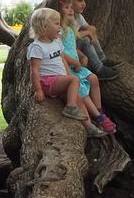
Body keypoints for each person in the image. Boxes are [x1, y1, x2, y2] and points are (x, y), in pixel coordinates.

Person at [26, 8, 107, 138]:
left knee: (79, 98)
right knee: (74, 80)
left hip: (59, 80)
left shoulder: (57, 42)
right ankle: (70, 107)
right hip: (47, 82)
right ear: (44, 26)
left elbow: (62, 59)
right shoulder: (37, 47)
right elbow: (34, 70)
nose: (60, 27)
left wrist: (68, 74)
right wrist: (38, 90)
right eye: (56, 24)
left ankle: (89, 127)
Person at [45, 0, 117, 134]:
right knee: (82, 91)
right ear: (57, 12)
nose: (71, 10)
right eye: (66, 8)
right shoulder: (57, 32)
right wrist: (74, 62)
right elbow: (60, 52)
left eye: (71, 7)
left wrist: (82, 56)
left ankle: (98, 110)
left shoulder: (70, 29)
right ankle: (99, 117)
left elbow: (72, 47)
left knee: (93, 79)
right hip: (67, 68)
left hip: (76, 65)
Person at [57, 0, 120, 81]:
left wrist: (91, 30)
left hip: (75, 44)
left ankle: (102, 59)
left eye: (84, 0)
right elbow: (69, 36)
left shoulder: (78, 16)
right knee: (86, 39)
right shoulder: (64, 17)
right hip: (67, 49)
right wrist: (87, 32)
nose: (83, 4)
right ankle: (99, 69)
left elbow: (88, 27)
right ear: (67, 1)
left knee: (89, 34)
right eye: (80, 0)